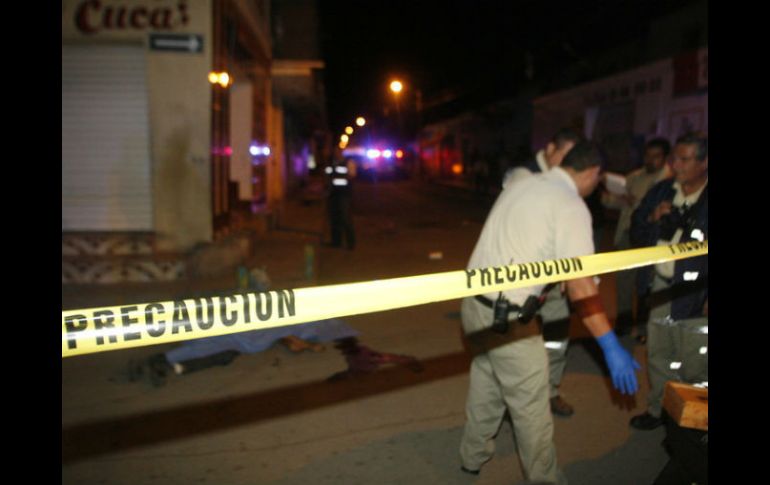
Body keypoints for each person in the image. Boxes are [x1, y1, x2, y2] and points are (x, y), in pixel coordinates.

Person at [459, 141, 640, 483]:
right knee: (532, 411)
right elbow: (581, 287)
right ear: (591, 173)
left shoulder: (524, 182)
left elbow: (523, 241)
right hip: (509, 318)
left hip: (474, 307)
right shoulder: (570, 204)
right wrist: (609, 345)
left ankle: (472, 456)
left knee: (487, 382)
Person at [628, 132, 708, 431]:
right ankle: (658, 408)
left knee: (695, 360)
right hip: (661, 287)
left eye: (684, 159)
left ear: (704, 163)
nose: (676, 164)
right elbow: (636, 231)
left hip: (698, 292)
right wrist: (652, 219)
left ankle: (692, 421)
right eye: (674, 158)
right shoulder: (662, 190)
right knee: (660, 353)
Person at [501, 127, 582, 418]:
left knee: (556, 339)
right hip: (522, 280)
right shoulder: (523, 176)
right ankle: (515, 401)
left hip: (556, 278)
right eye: (565, 155)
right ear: (550, 149)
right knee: (518, 344)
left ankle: (551, 391)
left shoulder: (567, 182)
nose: (570, 164)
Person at [602, 138, 672, 342]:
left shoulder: (669, 180)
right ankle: (624, 323)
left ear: (665, 158)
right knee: (623, 283)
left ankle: (643, 327)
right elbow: (618, 204)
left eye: (655, 156)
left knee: (646, 284)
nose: (650, 160)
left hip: (650, 238)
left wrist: (639, 203)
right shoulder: (634, 177)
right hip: (626, 235)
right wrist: (612, 198)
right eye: (647, 156)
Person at [325, 148, 356, 249]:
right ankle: (336, 242)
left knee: (345, 218)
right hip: (333, 194)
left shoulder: (349, 162)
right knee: (334, 218)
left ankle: (350, 243)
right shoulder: (331, 163)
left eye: (338, 152)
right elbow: (327, 175)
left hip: (344, 194)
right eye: (335, 152)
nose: (336, 154)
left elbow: (352, 176)